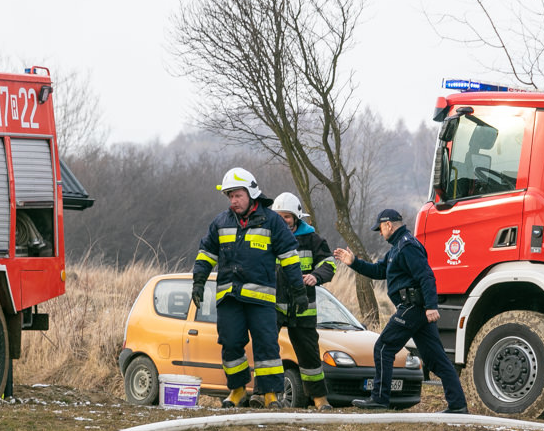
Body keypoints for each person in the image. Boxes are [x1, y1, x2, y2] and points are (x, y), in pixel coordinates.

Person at [192, 168, 308, 409]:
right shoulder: (220, 222)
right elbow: (206, 254)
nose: (233, 201)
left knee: (267, 346)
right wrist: (198, 281)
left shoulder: (273, 221)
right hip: (229, 297)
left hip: (261, 301)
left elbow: (289, 257)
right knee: (230, 343)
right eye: (230, 196)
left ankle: (271, 395)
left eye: (237, 195)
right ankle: (236, 391)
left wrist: (298, 290)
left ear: (251, 193)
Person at [333, 209, 468, 413]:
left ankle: (379, 399)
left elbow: (426, 276)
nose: (380, 233)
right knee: (436, 359)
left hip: (413, 308)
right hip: (416, 310)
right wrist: (354, 263)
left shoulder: (407, 246)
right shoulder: (397, 248)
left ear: (388, 225)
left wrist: (432, 306)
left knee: (383, 347)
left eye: (380, 229)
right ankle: (458, 405)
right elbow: (379, 271)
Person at [267, 192, 337, 411]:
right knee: (267, 351)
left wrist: (316, 276)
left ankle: (319, 399)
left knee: (309, 355)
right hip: (273, 306)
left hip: (303, 307)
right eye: (279, 217)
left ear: (296, 217)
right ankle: (266, 395)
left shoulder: (312, 239)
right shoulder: (268, 237)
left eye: (287, 217)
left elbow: (329, 264)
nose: (283, 221)